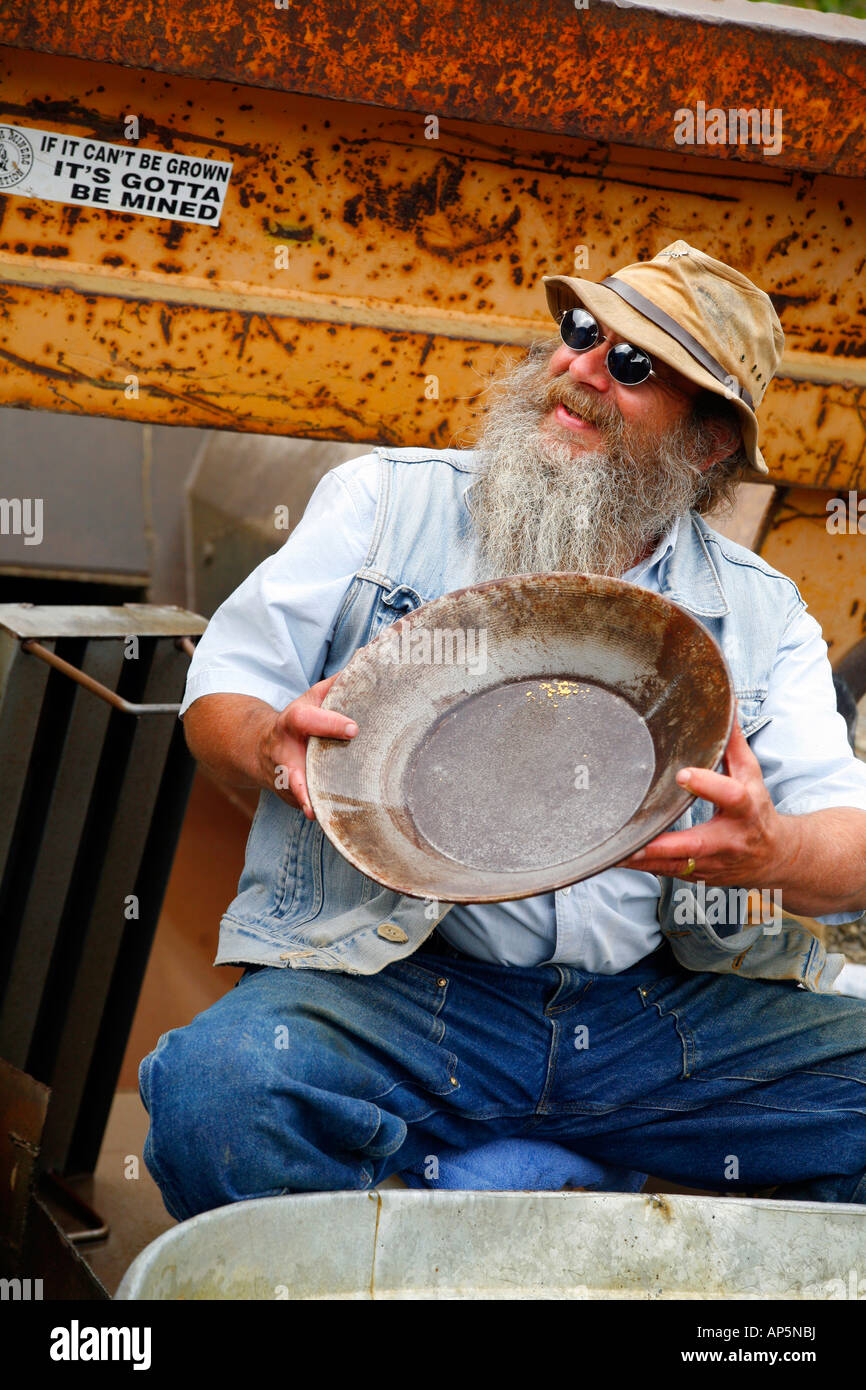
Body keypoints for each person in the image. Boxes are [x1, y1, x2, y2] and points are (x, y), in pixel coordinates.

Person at [140, 241, 866, 1223]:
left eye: (632, 364)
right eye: (578, 334)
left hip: (654, 1018)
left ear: (703, 446)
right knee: (214, 1093)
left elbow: (849, 846)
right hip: (415, 995)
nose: (579, 367)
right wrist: (272, 740)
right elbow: (221, 693)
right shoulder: (383, 504)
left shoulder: (759, 612)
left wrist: (771, 849)